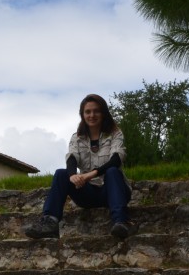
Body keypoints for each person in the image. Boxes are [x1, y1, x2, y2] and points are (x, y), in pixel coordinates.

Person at [25, 93, 136, 240]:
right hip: (88, 193)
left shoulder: (115, 133)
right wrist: (72, 175)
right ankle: (50, 222)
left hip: (113, 192)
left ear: (103, 113)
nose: (92, 115)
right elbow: (72, 157)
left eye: (96, 111)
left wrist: (90, 174)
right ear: (82, 115)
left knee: (113, 171)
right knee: (61, 173)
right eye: (88, 112)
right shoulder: (77, 137)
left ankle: (121, 222)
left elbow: (116, 159)